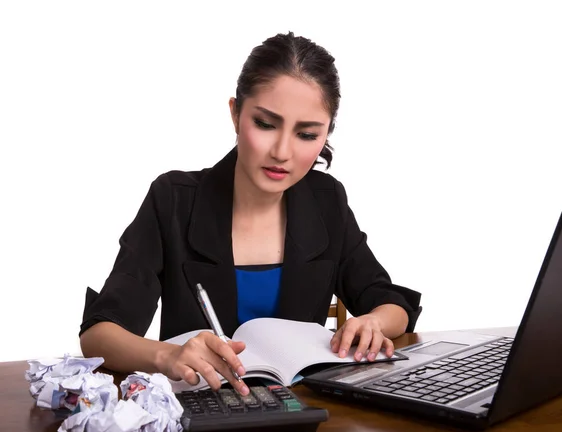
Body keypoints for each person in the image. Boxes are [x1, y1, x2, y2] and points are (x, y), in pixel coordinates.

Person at [79, 31, 422, 397]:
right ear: (235, 113)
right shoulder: (174, 200)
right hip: (201, 417)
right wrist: (168, 355)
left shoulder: (327, 200)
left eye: (306, 134)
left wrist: (373, 322)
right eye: (265, 124)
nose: (282, 152)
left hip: (305, 415)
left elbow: (391, 303)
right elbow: (98, 337)